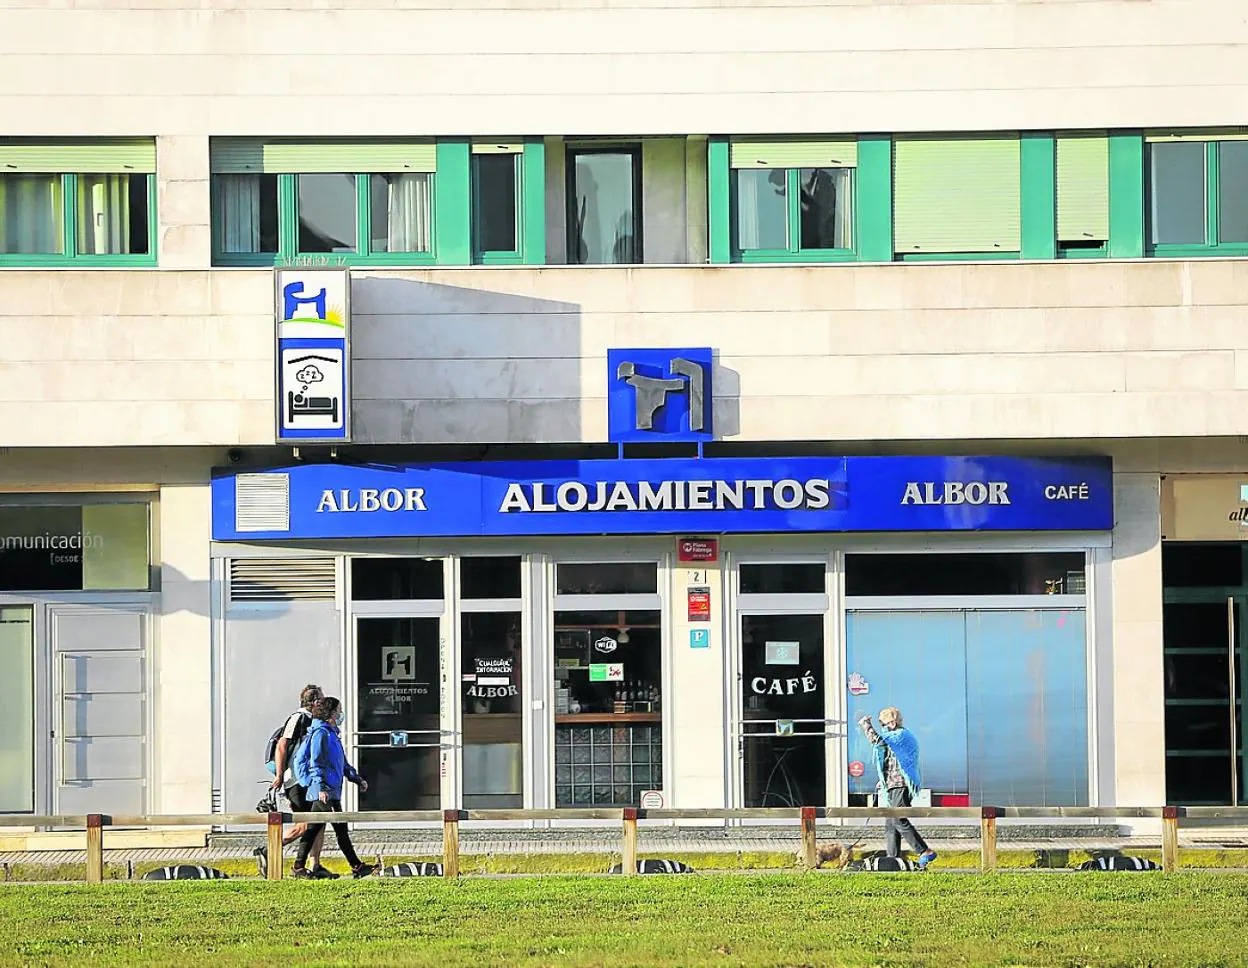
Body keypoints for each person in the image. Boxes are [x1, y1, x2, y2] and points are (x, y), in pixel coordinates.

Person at [253, 684, 333, 879]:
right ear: (315, 702)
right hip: (295, 782)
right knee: (306, 824)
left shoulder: (312, 720)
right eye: (321, 700)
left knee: (319, 821)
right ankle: (268, 850)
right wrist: (279, 776)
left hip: (307, 780)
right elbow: (282, 745)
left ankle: (315, 865)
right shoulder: (298, 718)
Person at [293, 696, 376, 879]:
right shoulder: (321, 734)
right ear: (330, 714)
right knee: (339, 828)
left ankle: (299, 867)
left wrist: (356, 779)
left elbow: (341, 763)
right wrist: (321, 787)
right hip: (324, 791)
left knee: (315, 828)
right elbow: (316, 762)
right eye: (339, 711)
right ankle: (356, 866)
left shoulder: (331, 734)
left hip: (330, 789)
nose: (341, 714)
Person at [858, 706, 937, 869]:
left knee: (898, 818)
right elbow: (892, 760)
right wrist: (884, 779)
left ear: (892, 722)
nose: (883, 727)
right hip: (893, 784)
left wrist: (866, 724)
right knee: (890, 823)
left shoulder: (901, 735)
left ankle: (924, 850)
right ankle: (892, 861)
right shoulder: (896, 737)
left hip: (900, 784)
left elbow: (878, 741)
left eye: (884, 724)